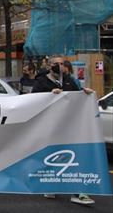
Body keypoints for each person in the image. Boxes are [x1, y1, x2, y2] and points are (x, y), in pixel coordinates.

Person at [32, 55, 95, 206]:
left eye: (61, 64)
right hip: (50, 127)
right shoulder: (41, 82)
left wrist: (85, 94)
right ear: (49, 65)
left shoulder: (69, 80)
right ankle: (51, 184)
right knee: (53, 156)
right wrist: (49, 96)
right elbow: (33, 100)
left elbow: (76, 95)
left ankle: (78, 192)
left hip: (69, 126)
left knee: (73, 156)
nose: (59, 66)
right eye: (55, 64)